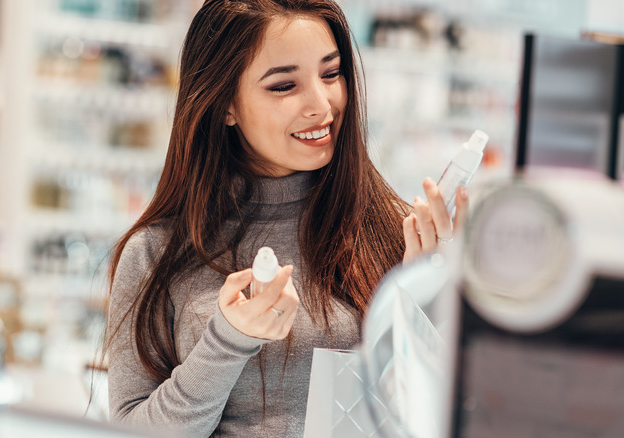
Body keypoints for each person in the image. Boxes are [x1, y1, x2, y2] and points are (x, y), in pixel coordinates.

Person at [104, 0, 468, 437]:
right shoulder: (155, 252)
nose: (322, 104)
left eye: (331, 74)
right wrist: (227, 340)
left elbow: (447, 413)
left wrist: (429, 304)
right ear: (224, 104)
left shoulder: (400, 235)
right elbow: (132, 432)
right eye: (283, 86)